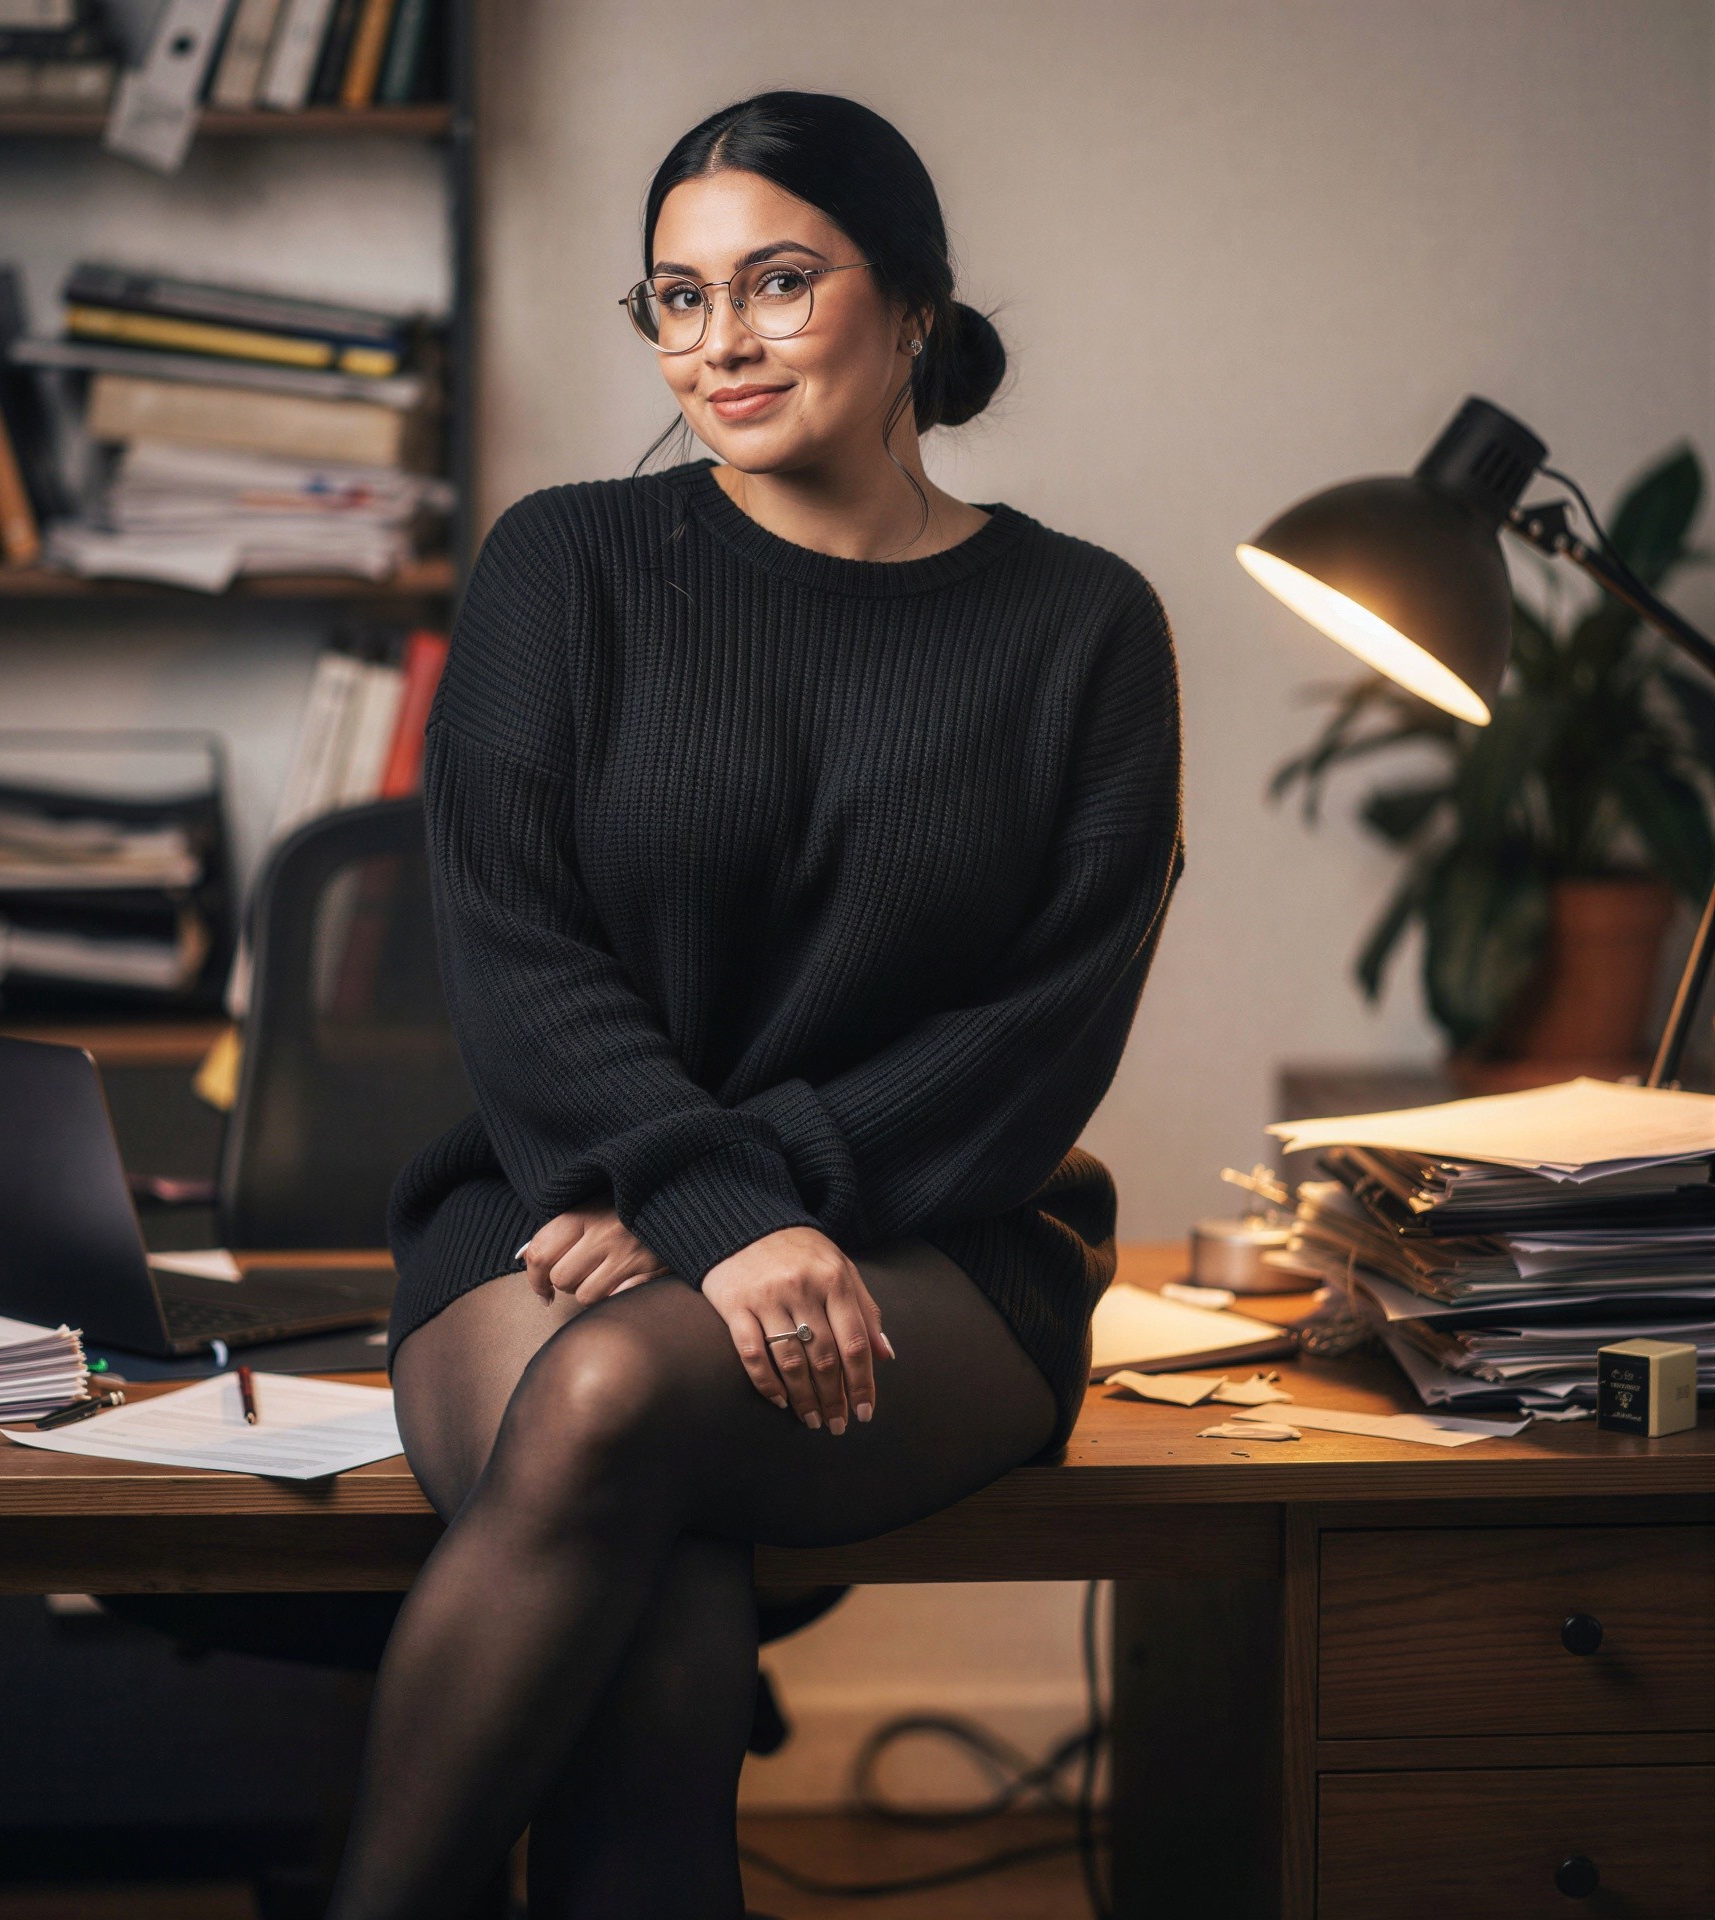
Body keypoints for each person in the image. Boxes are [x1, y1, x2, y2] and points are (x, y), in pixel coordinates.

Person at [328, 89, 1184, 1920]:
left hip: (937, 1247)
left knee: (617, 1400)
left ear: (916, 309)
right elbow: (517, 952)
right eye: (678, 296)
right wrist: (711, 1207)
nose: (719, 342)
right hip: (546, 1216)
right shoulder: (564, 566)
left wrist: (724, 1206)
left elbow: (1041, 1031)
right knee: (656, 1562)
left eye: (780, 283)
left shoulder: (1083, 626)